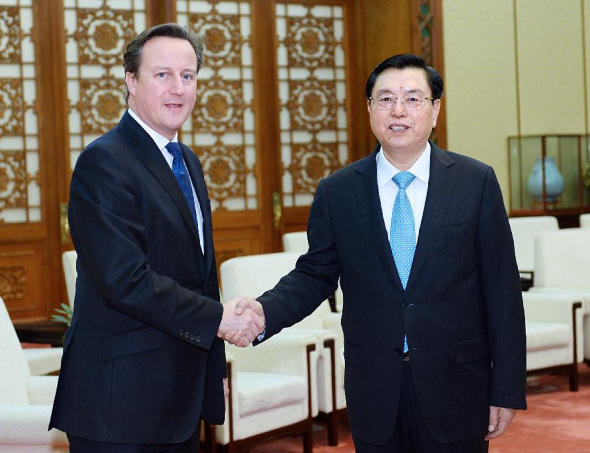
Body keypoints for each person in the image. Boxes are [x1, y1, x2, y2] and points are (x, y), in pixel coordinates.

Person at [229, 54, 527, 452]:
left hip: (458, 386)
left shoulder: (476, 183)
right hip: (375, 390)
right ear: (369, 109)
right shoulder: (338, 192)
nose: (398, 110)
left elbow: (502, 292)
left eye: (413, 99)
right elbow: (315, 274)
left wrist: (506, 388)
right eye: (385, 99)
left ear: (435, 110)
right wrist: (264, 312)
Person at [49, 23, 264, 452]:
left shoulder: (187, 161)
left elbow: (199, 275)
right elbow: (125, 280)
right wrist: (218, 319)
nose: (177, 88)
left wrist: (212, 374)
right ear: (131, 80)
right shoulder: (104, 161)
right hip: (120, 403)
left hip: (179, 398)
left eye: (188, 76)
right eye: (161, 74)